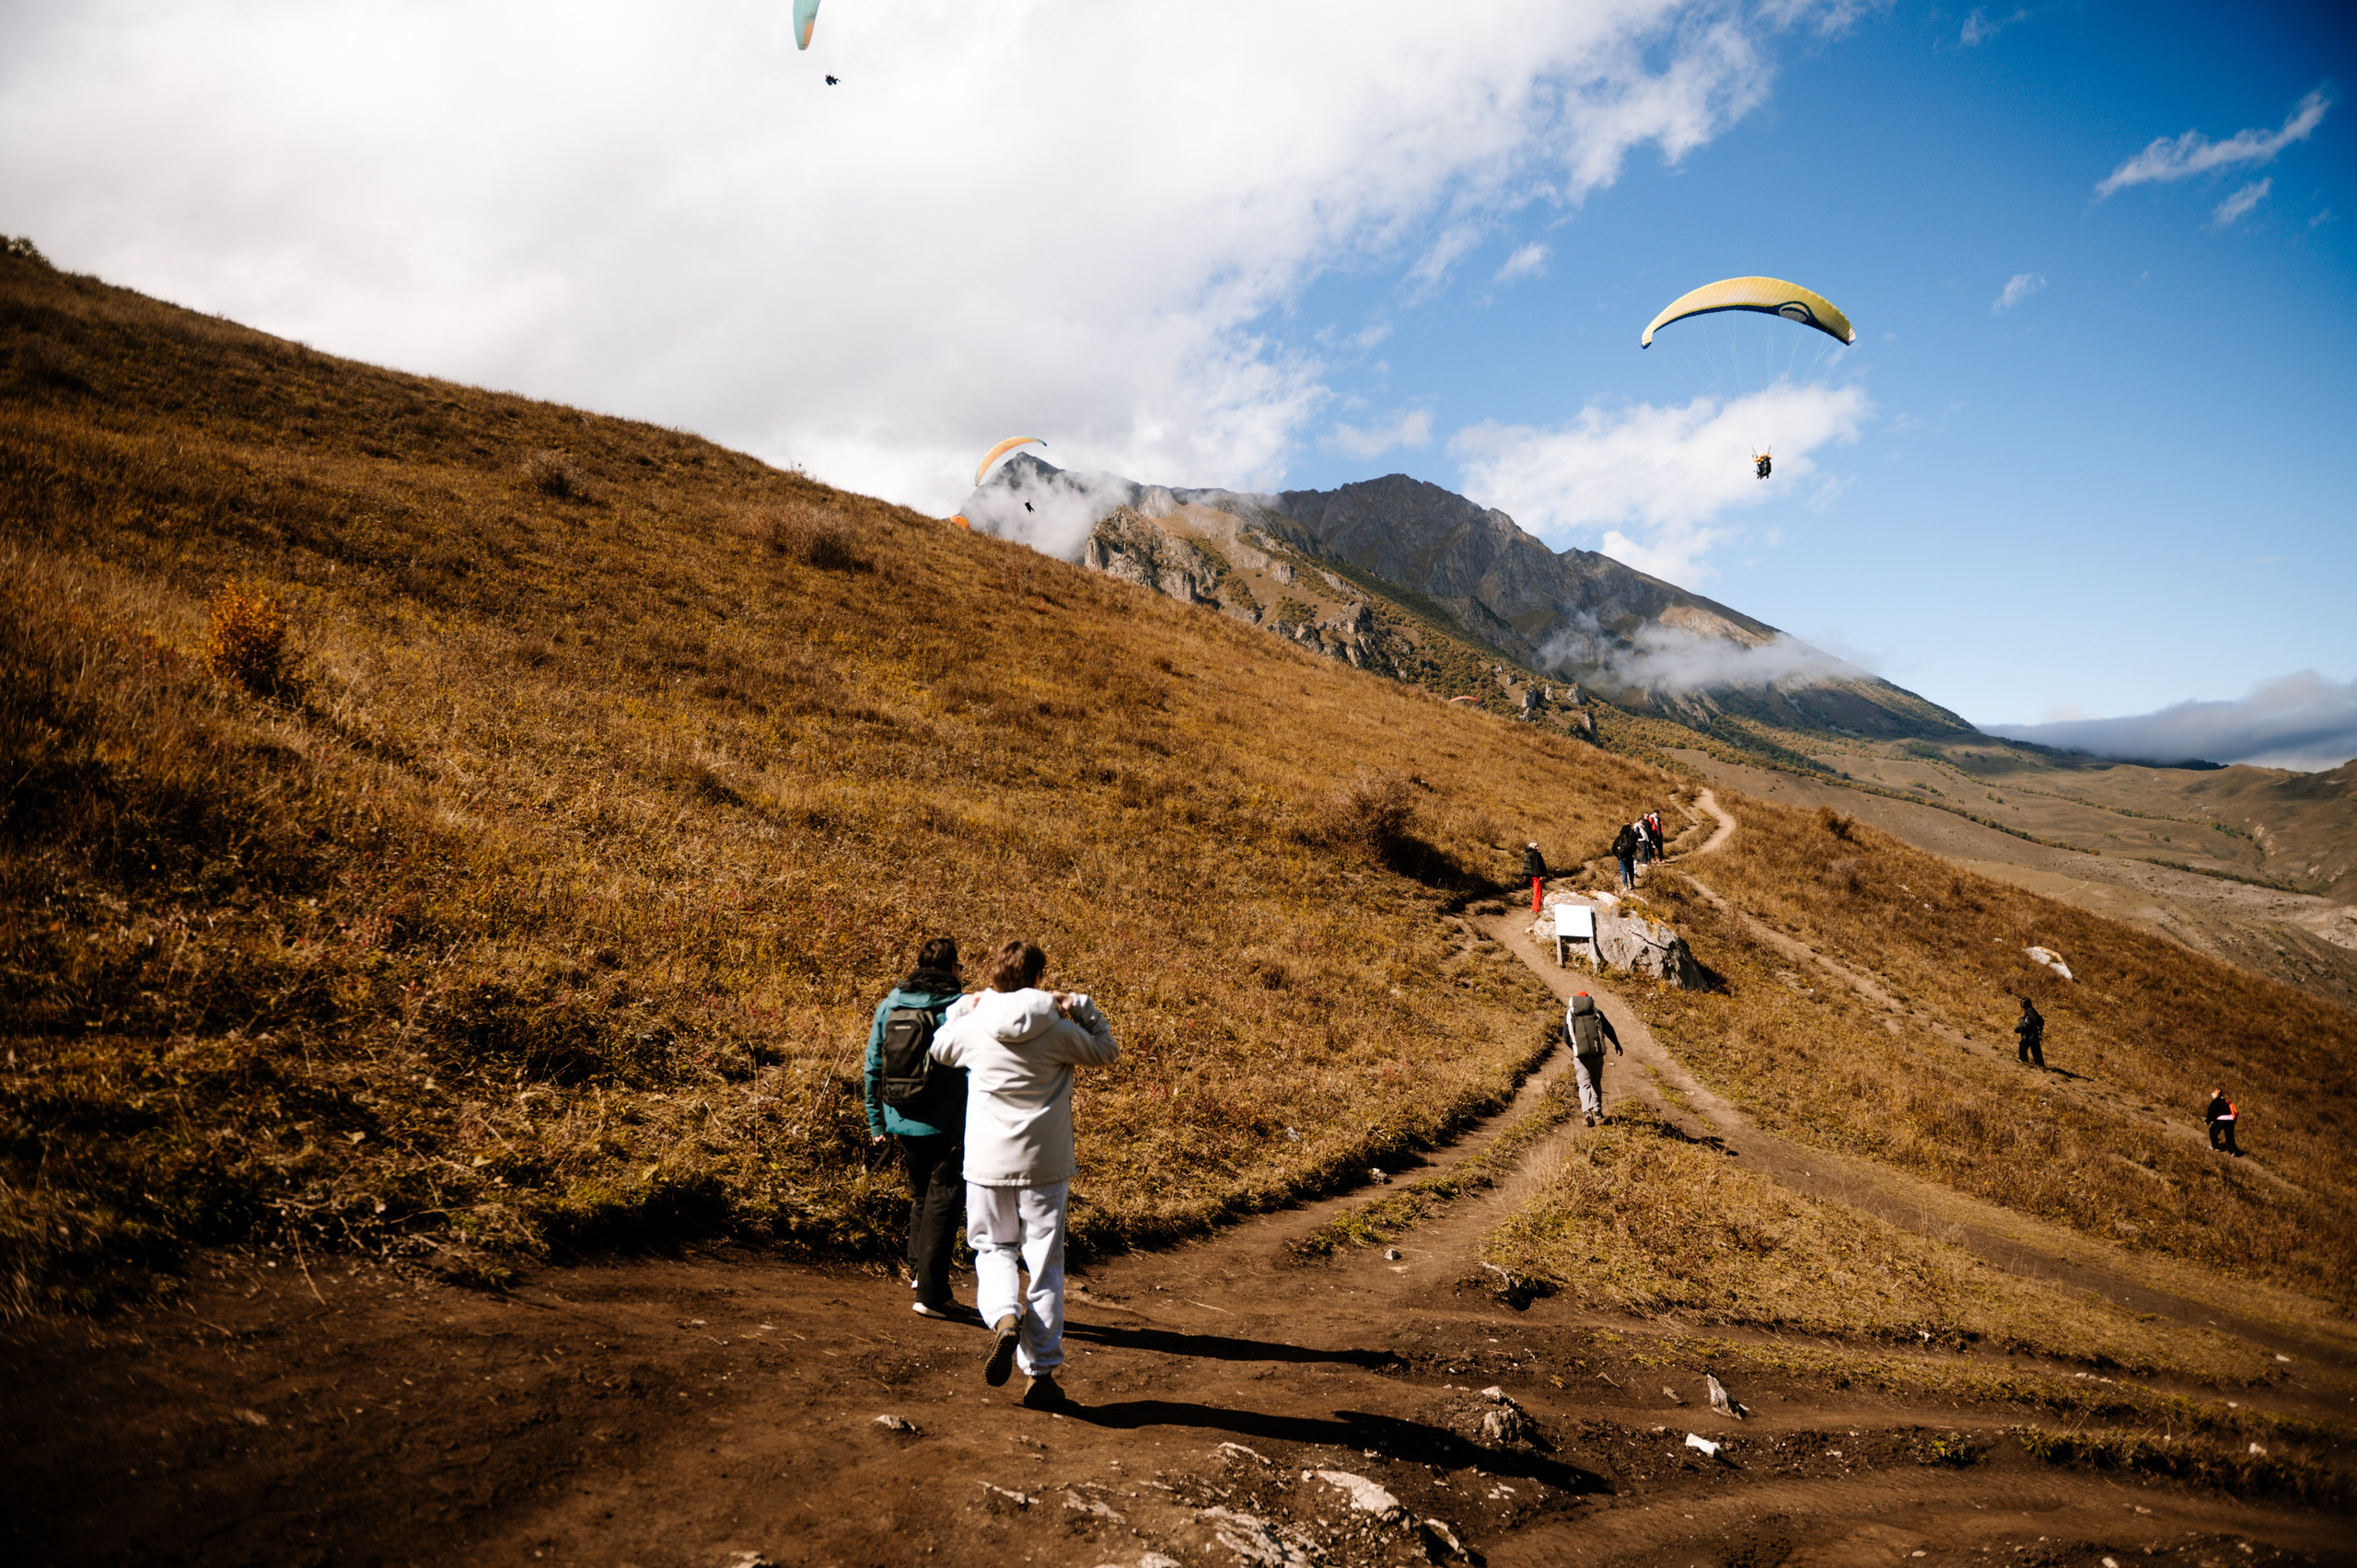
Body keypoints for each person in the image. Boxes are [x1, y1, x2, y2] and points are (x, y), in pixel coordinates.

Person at [929, 939, 1119, 1411]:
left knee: (993, 1249)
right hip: (1044, 1167)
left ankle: (1003, 1319)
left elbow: (938, 1049)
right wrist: (1083, 1006)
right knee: (1045, 1267)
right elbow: (1106, 1051)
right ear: (1038, 979)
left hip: (987, 1164)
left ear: (994, 980)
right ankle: (1040, 1376)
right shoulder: (1057, 1029)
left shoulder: (974, 1027)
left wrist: (962, 1007)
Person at [863, 937, 971, 1318]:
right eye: (960, 966)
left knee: (922, 1196)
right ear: (951, 968)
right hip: (947, 1122)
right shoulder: (958, 1007)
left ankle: (917, 1272)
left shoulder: (891, 1003)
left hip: (900, 1117)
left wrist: (877, 1119)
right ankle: (932, 1294)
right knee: (944, 1202)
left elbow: (873, 1063)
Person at [1564, 992, 1623, 1127]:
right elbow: (1609, 1029)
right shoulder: (1597, 1012)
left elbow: (1565, 1037)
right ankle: (1598, 1111)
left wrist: (1575, 1048)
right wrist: (1617, 1044)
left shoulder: (1571, 1014)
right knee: (1595, 1082)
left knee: (1584, 1084)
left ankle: (1587, 1111)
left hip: (1580, 1056)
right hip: (1597, 1054)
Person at [2206, 1089, 2241, 1156]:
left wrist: (2207, 1121)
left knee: (2213, 1131)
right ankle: (2233, 1152)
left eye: (2213, 1094)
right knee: (2229, 1136)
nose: (2212, 1096)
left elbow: (2211, 1112)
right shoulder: (2226, 1101)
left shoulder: (2215, 1102)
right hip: (2231, 1120)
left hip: (2221, 1119)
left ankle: (2215, 1146)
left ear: (2216, 1095)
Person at [2014, 996, 2045, 1069]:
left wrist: (2026, 1025)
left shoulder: (2030, 1011)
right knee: (2035, 1049)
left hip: (2031, 1034)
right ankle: (2040, 1065)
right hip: (2033, 1034)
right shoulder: (2031, 1010)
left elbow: (2034, 1020)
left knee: (2024, 1045)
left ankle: (2024, 1060)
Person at [1523, 842, 1549, 915]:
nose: (1537, 848)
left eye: (1538, 846)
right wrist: (1542, 875)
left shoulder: (1528, 854)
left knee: (1535, 892)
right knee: (1538, 893)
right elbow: (1537, 866)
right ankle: (1536, 909)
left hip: (1531, 876)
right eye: (1536, 846)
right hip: (1537, 876)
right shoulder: (1536, 855)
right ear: (1532, 847)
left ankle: (1533, 908)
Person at [1612, 821, 1641, 890]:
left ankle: (1625, 885)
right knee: (1631, 871)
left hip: (1621, 858)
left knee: (1623, 871)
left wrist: (1618, 856)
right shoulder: (1630, 838)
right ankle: (1632, 884)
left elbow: (1613, 849)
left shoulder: (1617, 839)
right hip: (1630, 857)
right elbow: (1634, 848)